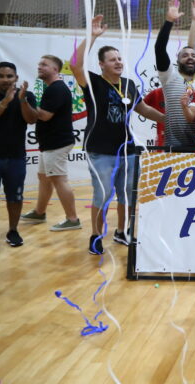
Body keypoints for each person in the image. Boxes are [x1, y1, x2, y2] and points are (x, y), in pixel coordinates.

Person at [71, 15, 165, 255]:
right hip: (100, 150)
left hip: (127, 149)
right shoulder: (93, 82)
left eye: (120, 58)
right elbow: (74, 65)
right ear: (101, 64)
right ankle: (95, 236)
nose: (118, 62)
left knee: (127, 195)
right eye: (112, 59)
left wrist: (168, 119)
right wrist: (92, 35)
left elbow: (143, 109)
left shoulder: (129, 84)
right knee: (102, 196)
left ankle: (121, 232)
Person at [0, 62, 38, 254]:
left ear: (16, 78)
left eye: (9, 76)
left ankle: (13, 231)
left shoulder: (26, 96)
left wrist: (21, 100)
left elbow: (31, 119)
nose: (5, 80)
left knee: (15, 197)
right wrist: (5, 101)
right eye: (1, 76)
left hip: (16, 157)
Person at [20, 55, 81, 231]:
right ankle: (39, 212)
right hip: (50, 143)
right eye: (39, 64)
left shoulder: (57, 89)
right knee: (44, 177)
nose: (39, 66)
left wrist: (25, 101)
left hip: (57, 143)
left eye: (44, 65)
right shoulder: (53, 88)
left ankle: (73, 219)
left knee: (59, 179)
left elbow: (45, 115)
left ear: (55, 69)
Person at [154, 0, 195, 147]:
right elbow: (159, 48)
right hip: (174, 146)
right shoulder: (169, 76)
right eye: (185, 56)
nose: (190, 58)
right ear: (178, 60)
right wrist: (169, 21)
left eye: (193, 56)